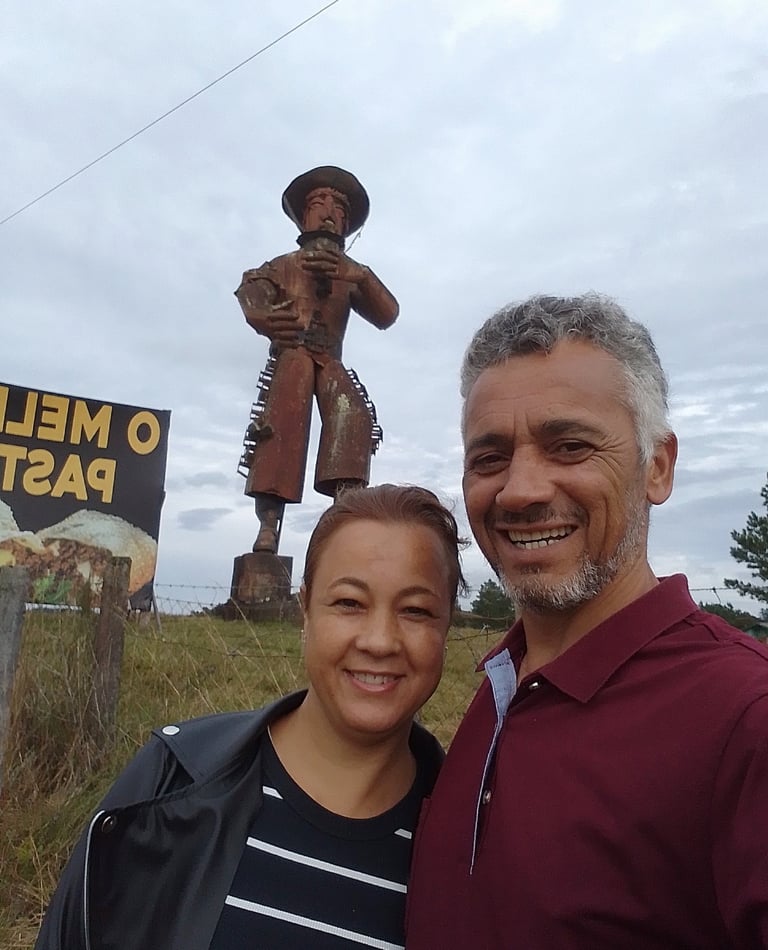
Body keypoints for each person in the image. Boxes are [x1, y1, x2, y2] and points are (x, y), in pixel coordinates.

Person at [406, 293, 768, 949]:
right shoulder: (497, 690)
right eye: (488, 458)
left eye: (569, 446)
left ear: (656, 467)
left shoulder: (746, 719)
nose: (519, 490)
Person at [35, 484, 465, 950]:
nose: (380, 641)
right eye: (349, 603)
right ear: (305, 610)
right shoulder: (174, 780)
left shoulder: (471, 848)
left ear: (447, 626)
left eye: (417, 610)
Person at [236, 166, 399, 554]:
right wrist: (262, 314)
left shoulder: (349, 274)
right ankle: (268, 525)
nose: (329, 212)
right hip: (293, 356)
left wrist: (359, 276)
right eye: (318, 203)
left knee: (352, 418)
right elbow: (252, 288)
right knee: (281, 425)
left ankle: (345, 513)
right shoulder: (285, 264)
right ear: (304, 215)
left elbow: (387, 313)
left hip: (329, 357)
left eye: (339, 208)